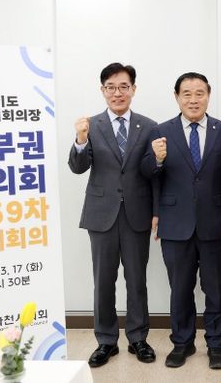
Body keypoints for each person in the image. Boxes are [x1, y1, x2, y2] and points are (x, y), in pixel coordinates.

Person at [141, 72, 221, 370]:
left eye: (199, 93)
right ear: (177, 97)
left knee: (216, 289)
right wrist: (156, 159)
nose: (193, 99)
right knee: (180, 289)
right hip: (174, 223)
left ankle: (216, 344)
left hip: (215, 222)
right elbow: (147, 175)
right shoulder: (161, 131)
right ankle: (182, 343)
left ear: (208, 95)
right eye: (187, 93)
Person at [68, 62, 158, 367]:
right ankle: (106, 341)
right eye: (111, 87)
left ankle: (138, 338)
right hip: (101, 214)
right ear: (102, 90)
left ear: (133, 89)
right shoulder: (90, 126)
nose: (117, 93)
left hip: (137, 213)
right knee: (103, 281)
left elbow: (152, 173)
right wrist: (81, 140)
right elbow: (78, 167)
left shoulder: (149, 126)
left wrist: (156, 212)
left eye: (123, 87)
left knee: (137, 280)